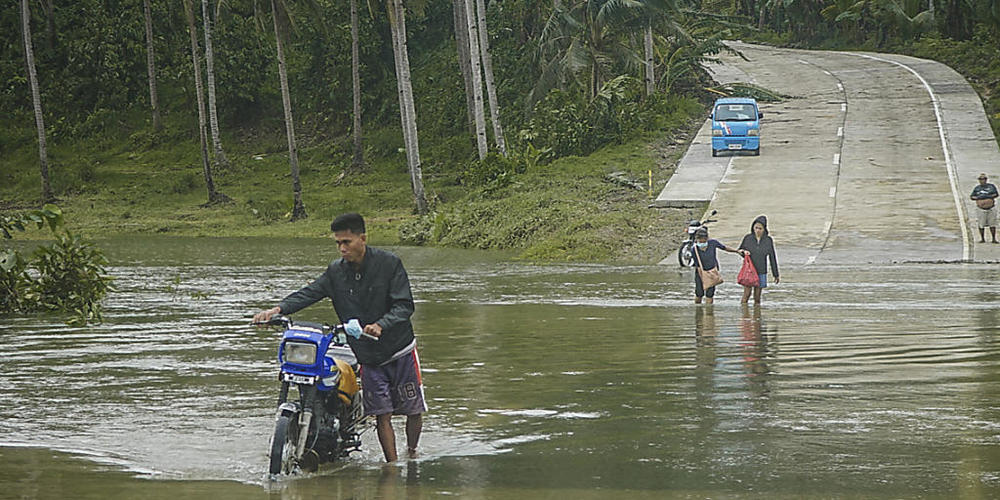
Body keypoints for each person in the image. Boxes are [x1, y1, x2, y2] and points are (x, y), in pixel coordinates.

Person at [253, 213, 426, 462]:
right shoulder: (336, 271)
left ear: (362, 238)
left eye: (347, 242)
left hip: (399, 348)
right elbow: (310, 292)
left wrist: (380, 324)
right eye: (338, 243)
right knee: (382, 414)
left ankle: (411, 452)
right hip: (367, 355)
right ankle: (392, 466)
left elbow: (404, 306)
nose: (342, 248)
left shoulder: (389, 264)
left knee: (413, 409)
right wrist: (277, 310)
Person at [691, 227, 744, 304]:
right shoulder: (694, 249)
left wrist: (736, 251)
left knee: (710, 294)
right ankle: (698, 312)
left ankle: (709, 313)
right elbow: (698, 266)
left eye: (704, 240)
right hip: (701, 272)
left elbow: (724, 248)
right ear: (697, 239)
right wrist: (703, 278)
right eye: (700, 240)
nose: (702, 242)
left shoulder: (713, 243)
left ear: (707, 238)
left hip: (713, 271)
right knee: (699, 293)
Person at [737, 215, 780, 304]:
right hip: (749, 270)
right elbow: (740, 250)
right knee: (746, 295)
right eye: (756, 228)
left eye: (760, 228)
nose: (757, 230)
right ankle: (745, 315)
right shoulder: (748, 238)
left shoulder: (768, 240)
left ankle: (757, 316)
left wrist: (775, 274)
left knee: (757, 297)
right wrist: (744, 253)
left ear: (764, 229)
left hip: (761, 270)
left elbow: (772, 257)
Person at [970, 173, 998, 243]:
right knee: (981, 224)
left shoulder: (991, 187)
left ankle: (993, 238)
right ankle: (982, 238)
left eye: (984, 179)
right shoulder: (977, 188)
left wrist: (986, 197)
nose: (982, 180)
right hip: (981, 209)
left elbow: (996, 194)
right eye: (981, 179)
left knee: (992, 224)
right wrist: (979, 198)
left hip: (991, 208)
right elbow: (972, 197)